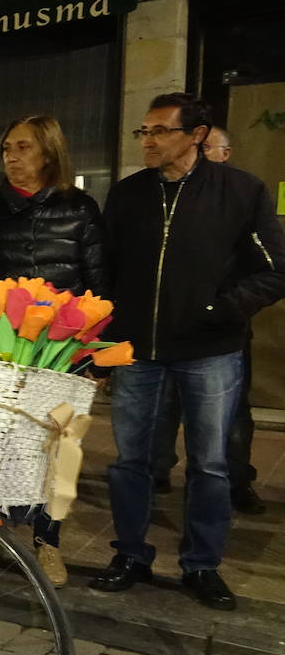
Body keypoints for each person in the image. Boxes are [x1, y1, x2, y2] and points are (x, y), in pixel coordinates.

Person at [92, 93, 285, 612]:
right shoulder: (128, 195)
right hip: (137, 350)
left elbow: (275, 269)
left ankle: (202, 565)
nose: (148, 141)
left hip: (210, 352)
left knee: (211, 465)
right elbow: (106, 272)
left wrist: (221, 309)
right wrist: (105, 337)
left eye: (159, 131)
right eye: (143, 132)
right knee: (131, 461)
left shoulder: (241, 191)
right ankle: (130, 554)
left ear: (196, 135)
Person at [0, 114, 108, 586]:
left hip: (62, 353)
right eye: (7, 149)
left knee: (58, 450)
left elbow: (98, 284)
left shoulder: (80, 209)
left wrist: (96, 358)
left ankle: (48, 542)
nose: (12, 157)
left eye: (23, 148)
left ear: (49, 152)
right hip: (2, 352)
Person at [152, 124, 262, 514]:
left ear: (224, 153)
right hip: (166, 329)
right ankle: (158, 469)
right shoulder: (165, 197)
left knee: (229, 414)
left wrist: (224, 308)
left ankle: (236, 480)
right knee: (164, 404)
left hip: (220, 334)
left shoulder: (243, 196)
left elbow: (265, 268)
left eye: (205, 147)